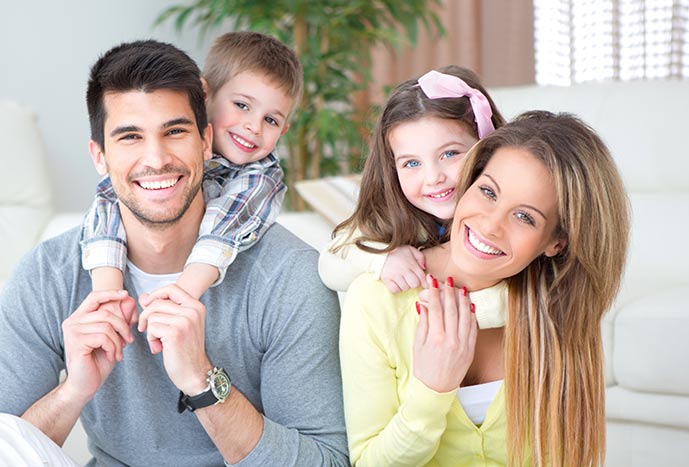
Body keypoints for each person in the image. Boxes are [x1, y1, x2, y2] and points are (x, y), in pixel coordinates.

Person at [0, 40, 348, 467]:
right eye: (130, 137)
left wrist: (203, 382)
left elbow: (327, 461)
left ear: (206, 140)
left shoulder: (290, 278)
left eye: (175, 131)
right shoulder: (46, 276)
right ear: (100, 157)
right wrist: (74, 390)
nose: (156, 158)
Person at [340, 111, 630, 466]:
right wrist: (432, 390)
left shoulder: (558, 311)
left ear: (556, 242)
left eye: (525, 217)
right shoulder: (377, 301)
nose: (491, 226)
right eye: (488, 192)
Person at [82, 31, 301, 307]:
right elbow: (108, 199)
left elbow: (226, 229)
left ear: (283, 130)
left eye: (271, 120)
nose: (254, 127)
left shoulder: (260, 175)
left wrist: (181, 294)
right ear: (205, 94)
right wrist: (107, 295)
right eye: (242, 105)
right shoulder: (46, 272)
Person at [319, 66, 509, 328]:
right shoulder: (399, 217)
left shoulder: (506, 219)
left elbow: (535, 294)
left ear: (486, 146)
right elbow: (329, 264)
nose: (433, 177)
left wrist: (464, 311)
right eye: (411, 164)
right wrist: (381, 261)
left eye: (450, 154)